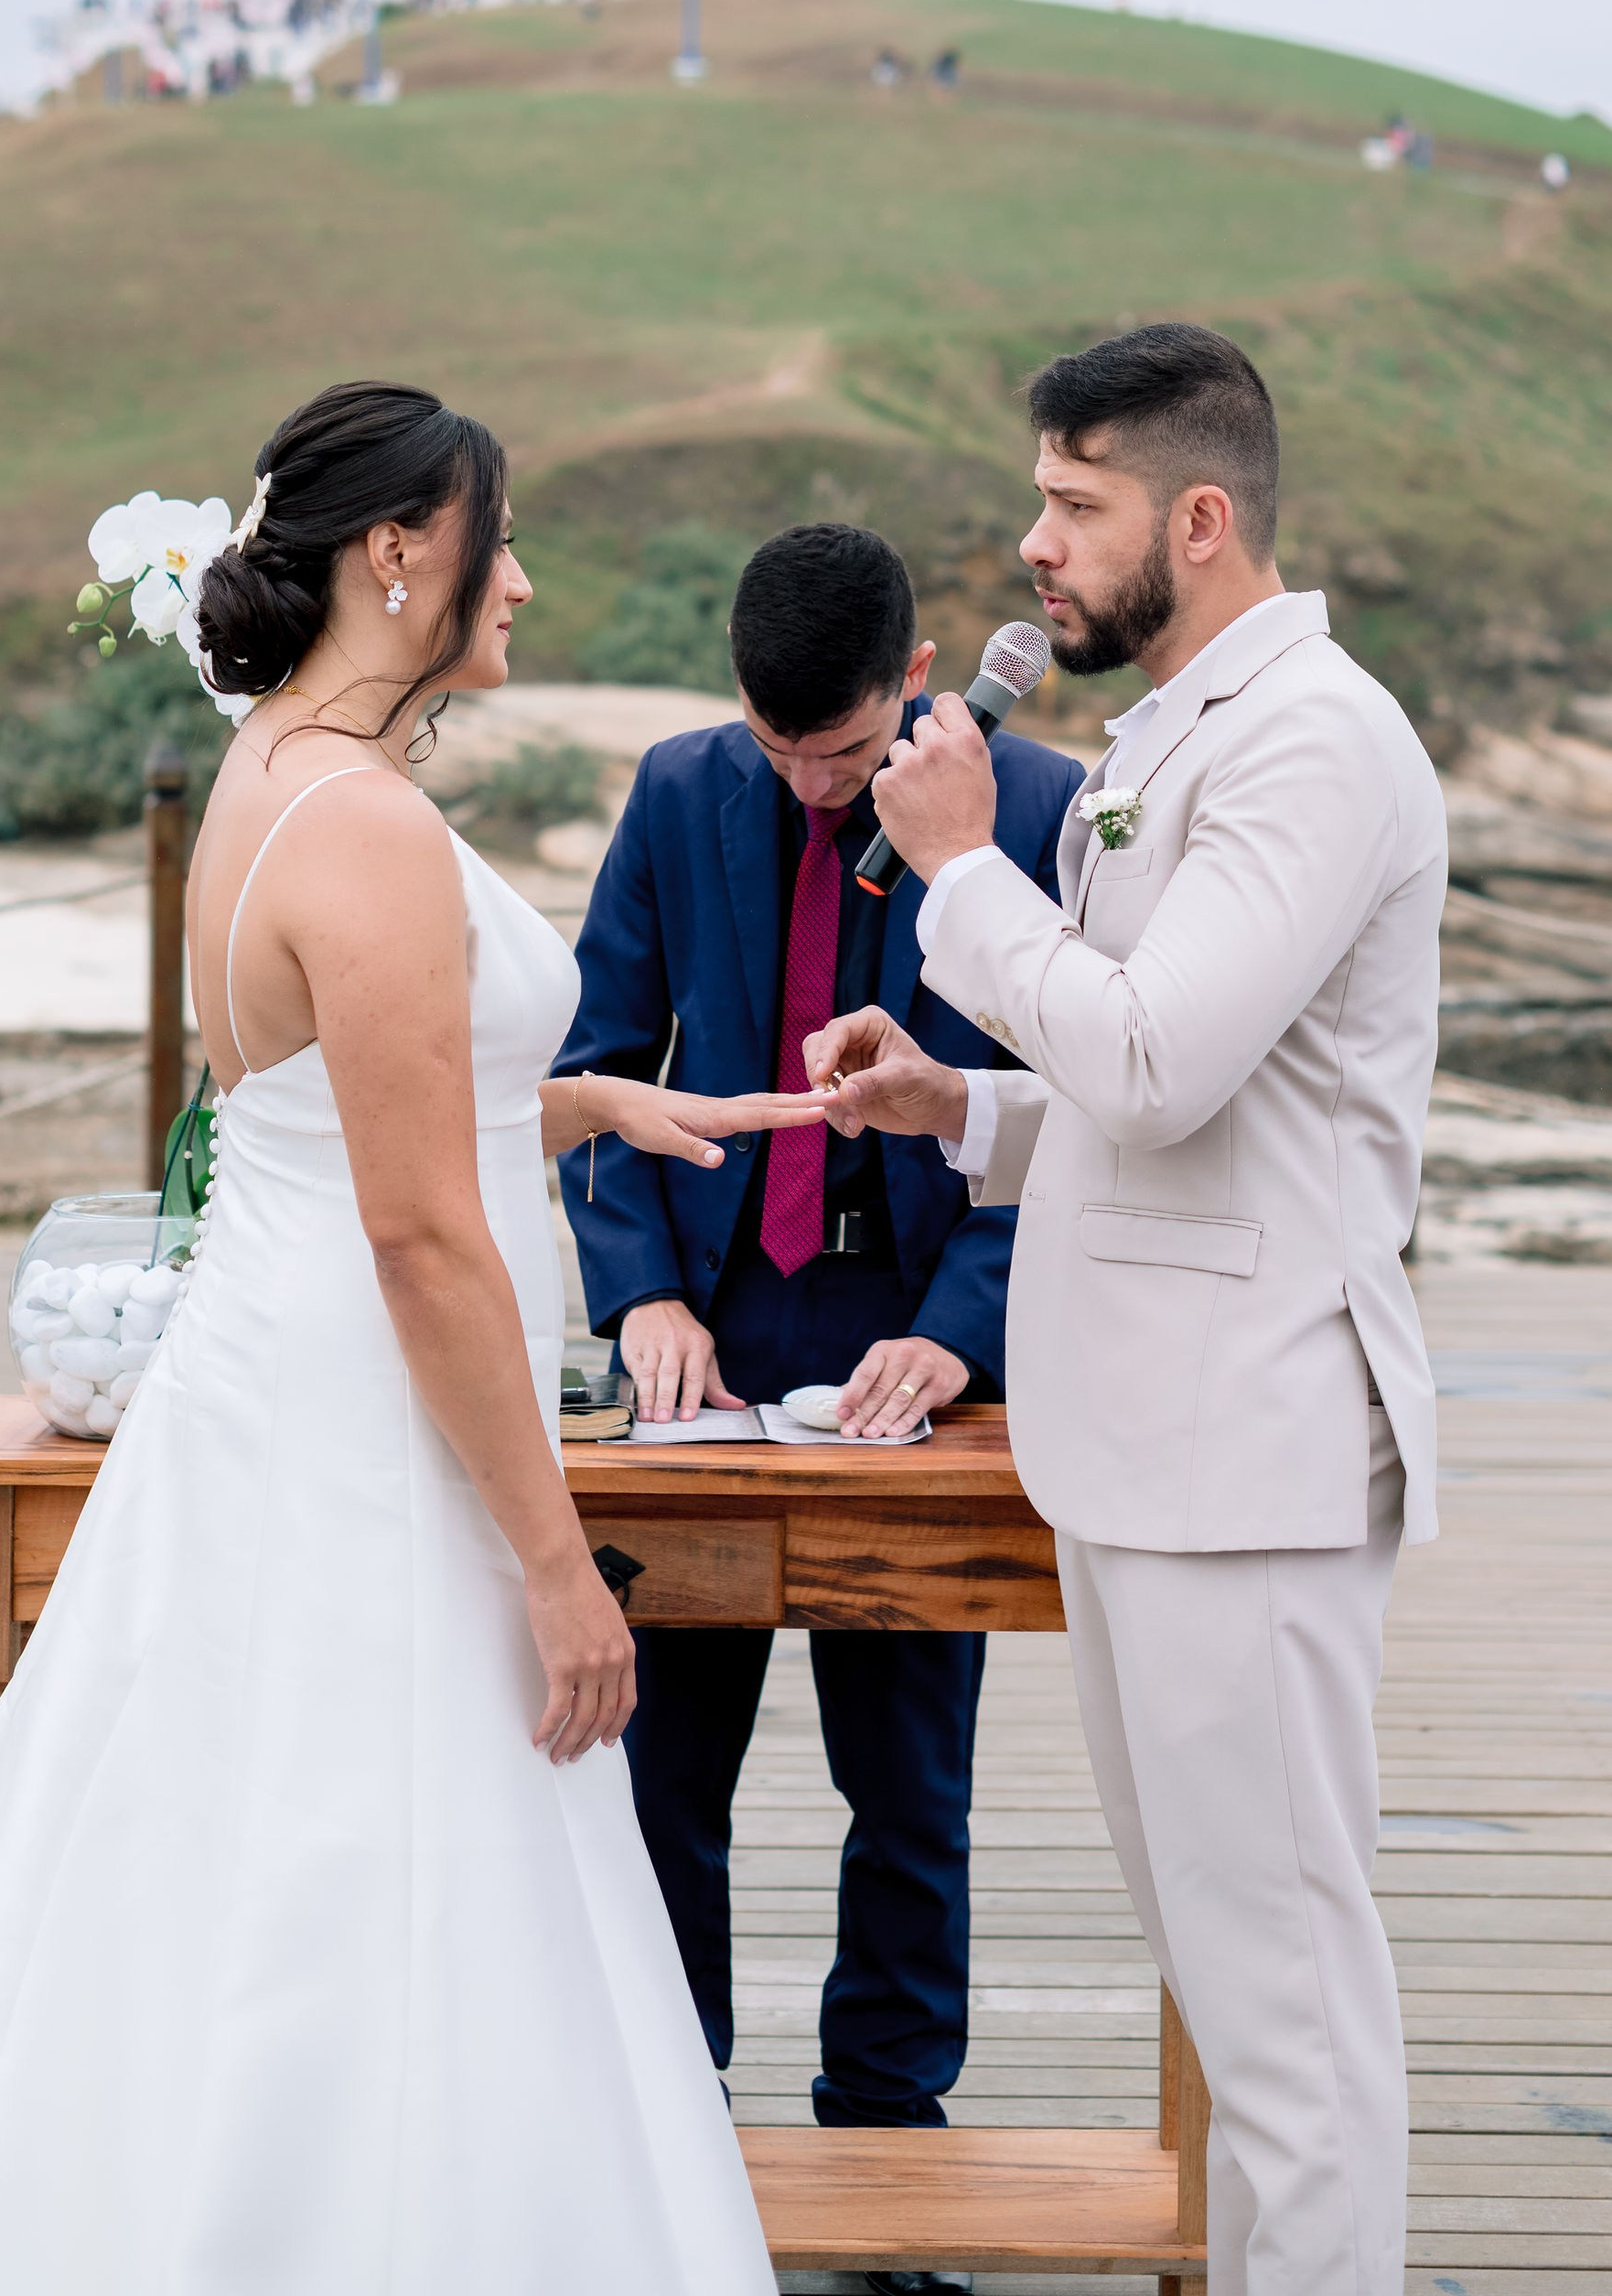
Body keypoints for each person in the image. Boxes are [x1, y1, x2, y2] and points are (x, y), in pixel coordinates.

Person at [0, 380, 822, 2296]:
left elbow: (340, 1120)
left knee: (242, 1866)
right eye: (495, 540)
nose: (519, 581)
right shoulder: (356, 823)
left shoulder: (270, 779)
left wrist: (584, 1108)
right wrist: (556, 1565)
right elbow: (419, 1231)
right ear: (395, 556)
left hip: (273, 1405)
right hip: (371, 1439)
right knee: (387, 1878)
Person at [808, 326, 1445, 2296]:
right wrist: (964, 1106)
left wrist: (955, 874)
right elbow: (1160, 1094)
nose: (1031, 545)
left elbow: (1160, 1060)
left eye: (1071, 506)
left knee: (1285, 2024)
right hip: (1146, 1451)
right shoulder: (1177, 729)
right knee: (1223, 1979)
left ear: (1196, 515)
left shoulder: (1313, 739)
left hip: (1241, 1450)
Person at [553, 524, 1084, 2222]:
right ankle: (667, 2117)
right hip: (704, 1355)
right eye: (778, 749)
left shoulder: (1040, 804)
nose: (808, 787)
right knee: (662, 1773)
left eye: (845, 755)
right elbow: (591, 1073)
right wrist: (637, 1295)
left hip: (920, 1346)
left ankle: (887, 2137)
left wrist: (962, 1331)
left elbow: (1070, 1115)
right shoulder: (672, 790)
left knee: (911, 1784)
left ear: (915, 688)